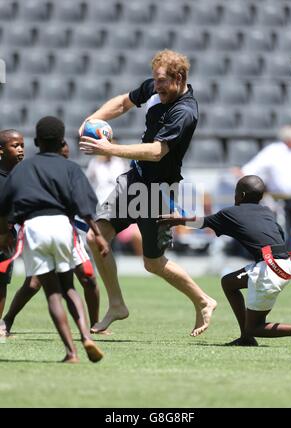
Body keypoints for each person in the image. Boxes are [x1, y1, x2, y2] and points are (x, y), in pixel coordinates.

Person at [79, 49, 217, 336]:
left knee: (153, 263)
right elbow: (123, 102)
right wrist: (92, 120)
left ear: (179, 79)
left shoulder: (185, 112)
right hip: (135, 180)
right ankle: (117, 304)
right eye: (155, 81)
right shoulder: (156, 86)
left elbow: (157, 151)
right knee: (96, 237)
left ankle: (204, 300)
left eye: (162, 82)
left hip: (157, 193)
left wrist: (109, 149)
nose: (156, 87)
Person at [0, 117, 109, 363]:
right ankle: (86, 336)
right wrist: (99, 236)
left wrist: (5, 233)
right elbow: (85, 205)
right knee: (69, 287)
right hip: (62, 226)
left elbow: (5, 205)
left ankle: (71, 352)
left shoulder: (23, 169)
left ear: (36, 141)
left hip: (34, 228)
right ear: (62, 142)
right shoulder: (70, 168)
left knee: (52, 292)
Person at [159, 175, 291, 346]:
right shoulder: (266, 211)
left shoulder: (231, 213)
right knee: (229, 282)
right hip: (284, 264)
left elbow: (201, 222)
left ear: (239, 196)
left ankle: (263, 333)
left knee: (255, 328)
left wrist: (175, 220)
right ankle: (246, 338)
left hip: (269, 268)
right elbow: (279, 235)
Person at [240, 126, 291, 250]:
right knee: (282, 232)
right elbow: (249, 170)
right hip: (279, 201)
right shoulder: (273, 152)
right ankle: (280, 262)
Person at [85, 138, 142, 256]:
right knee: (97, 238)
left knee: (112, 238)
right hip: (99, 206)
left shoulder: (120, 163)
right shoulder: (95, 163)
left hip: (117, 205)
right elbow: (88, 184)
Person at [0, 129, 24, 318]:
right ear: (1, 150)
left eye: (22, 145)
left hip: (9, 235)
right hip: (3, 235)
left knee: (2, 281)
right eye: (15, 146)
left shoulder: (22, 177)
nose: (20, 149)